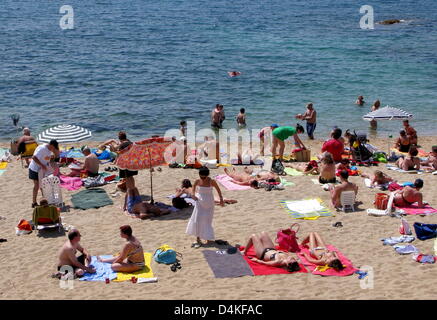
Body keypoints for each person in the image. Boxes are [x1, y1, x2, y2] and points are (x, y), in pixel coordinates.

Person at [186, 167, 224, 248]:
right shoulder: (197, 180)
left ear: (208, 175)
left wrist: (221, 199)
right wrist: (193, 194)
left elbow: (218, 190)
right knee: (197, 219)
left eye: (204, 177)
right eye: (201, 176)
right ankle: (198, 239)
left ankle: (207, 238)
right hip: (199, 203)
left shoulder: (212, 181)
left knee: (207, 221)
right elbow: (193, 187)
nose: (202, 178)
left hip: (209, 203)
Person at [28, 139, 60, 208]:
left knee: (43, 185)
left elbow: (46, 159)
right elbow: (34, 157)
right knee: (36, 186)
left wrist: (53, 156)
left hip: (42, 170)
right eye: (53, 148)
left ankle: (44, 201)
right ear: (51, 145)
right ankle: (34, 202)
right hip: (35, 169)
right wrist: (42, 165)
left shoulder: (49, 150)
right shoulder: (42, 148)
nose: (53, 149)